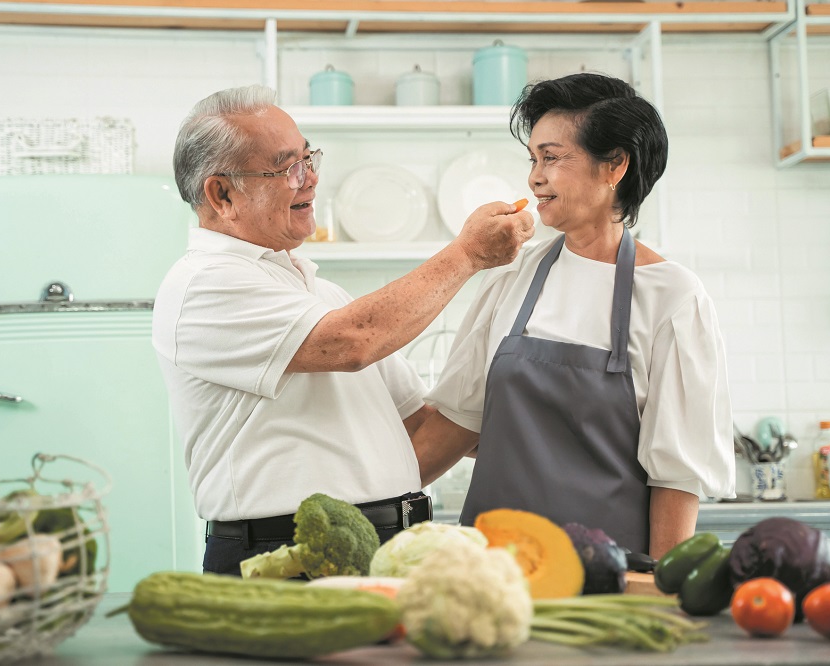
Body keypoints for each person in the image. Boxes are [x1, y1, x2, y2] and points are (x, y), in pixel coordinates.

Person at [152, 84, 532, 575]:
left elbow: (421, 433)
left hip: (390, 546)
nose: (309, 178)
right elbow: (351, 342)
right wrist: (468, 254)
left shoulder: (321, 293)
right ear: (221, 193)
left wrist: (532, 390)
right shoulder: (202, 283)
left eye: (309, 158)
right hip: (285, 559)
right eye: (287, 167)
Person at [413, 73, 735, 559]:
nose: (534, 176)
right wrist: (358, 500)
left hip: (608, 580)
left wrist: (663, 596)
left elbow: (676, 476)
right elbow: (458, 421)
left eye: (552, 157)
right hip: (492, 571)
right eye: (533, 159)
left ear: (615, 166)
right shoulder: (513, 275)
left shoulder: (672, 296)